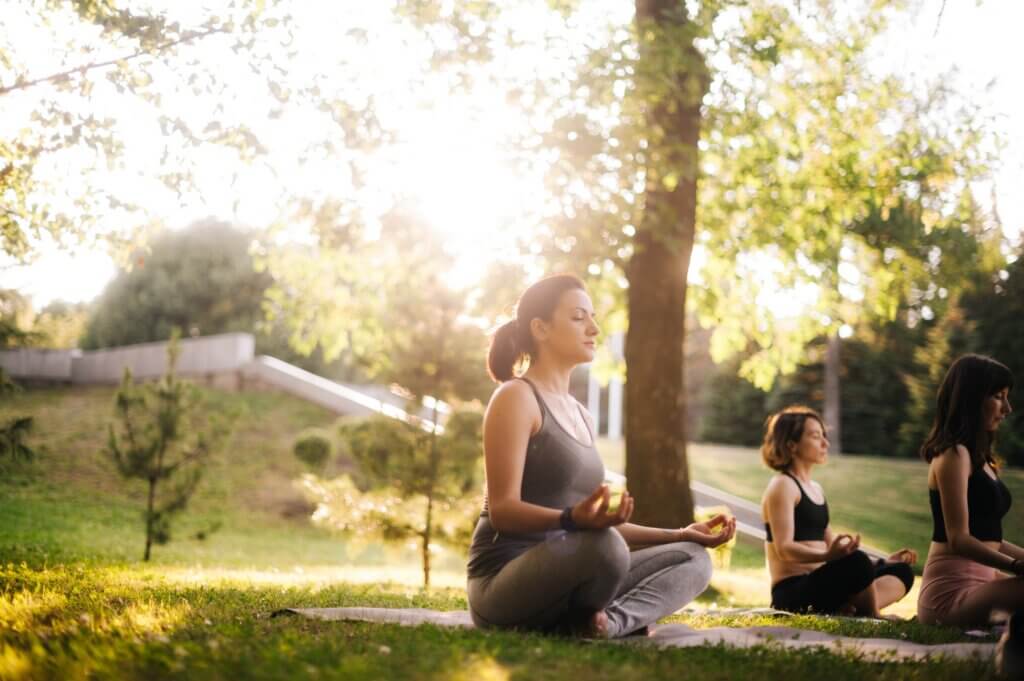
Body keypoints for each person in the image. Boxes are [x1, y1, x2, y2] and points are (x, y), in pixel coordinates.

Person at [466, 274, 736, 638]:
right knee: (605, 546)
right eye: (579, 317)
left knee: (692, 557)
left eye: (593, 317)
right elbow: (503, 510)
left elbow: (595, 526)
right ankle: (588, 619)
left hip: (574, 564)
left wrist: (679, 533)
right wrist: (573, 519)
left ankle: (605, 624)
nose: (593, 328)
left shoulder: (582, 415)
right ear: (541, 328)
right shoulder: (516, 397)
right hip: (502, 584)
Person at [760, 405, 916, 617]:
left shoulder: (815, 489)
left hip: (824, 582)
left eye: (824, 435)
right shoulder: (782, 485)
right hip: (792, 592)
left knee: (900, 570)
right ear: (792, 445)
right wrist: (828, 555)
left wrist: (882, 562)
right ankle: (872, 614)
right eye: (816, 436)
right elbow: (784, 549)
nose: (825, 443)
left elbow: (835, 549)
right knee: (857, 562)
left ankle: (848, 607)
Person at [917, 354, 1024, 626]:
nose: (1007, 408)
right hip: (951, 593)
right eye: (999, 396)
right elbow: (960, 539)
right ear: (973, 398)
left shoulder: (982, 460)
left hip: (983, 582)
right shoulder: (953, 454)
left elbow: (990, 538)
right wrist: (1014, 566)